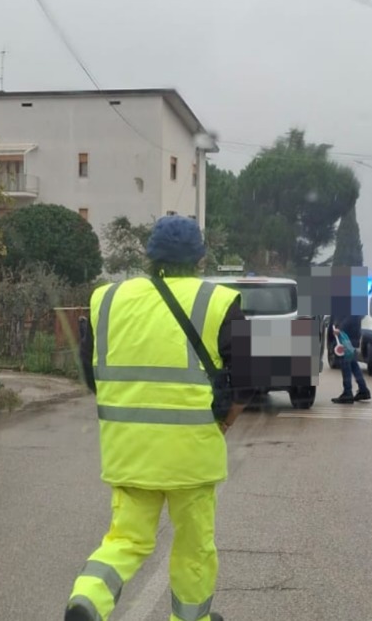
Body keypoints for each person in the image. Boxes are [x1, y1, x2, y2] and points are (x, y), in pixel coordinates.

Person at [66, 215, 244, 621]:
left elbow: (92, 375)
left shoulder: (105, 299)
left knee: (126, 539)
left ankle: (89, 599)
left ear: (149, 257)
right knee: (194, 546)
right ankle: (191, 619)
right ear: (199, 259)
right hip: (192, 456)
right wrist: (224, 421)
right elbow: (248, 380)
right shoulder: (219, 301)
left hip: (128, 450)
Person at [331, 322, 370, 404]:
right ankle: (363, 390)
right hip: (351, 336)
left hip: (346, 337)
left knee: (346, 366)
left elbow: (353, 317)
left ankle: (348, 392)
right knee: (353, 365)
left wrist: (340, 328)